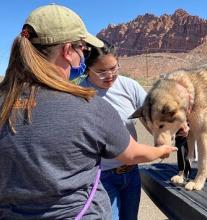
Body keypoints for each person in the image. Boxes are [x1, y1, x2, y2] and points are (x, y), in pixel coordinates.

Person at [0, 4, 176, 220]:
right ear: (67, 51)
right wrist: (162, 150)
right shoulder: (88, 106)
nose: (82, 55)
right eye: (81, 48)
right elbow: (131, 153)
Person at [79, 43, 147, 220]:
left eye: (113, 68)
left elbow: (151, 114)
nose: (110, 75)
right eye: (101, 71)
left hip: (131, 173)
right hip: (101, 178)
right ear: (87, 69)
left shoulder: (129, 86)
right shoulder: (81, 94)